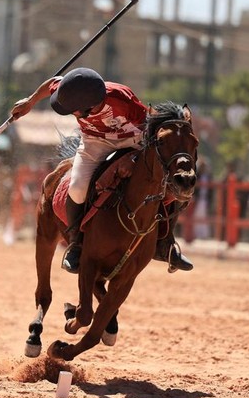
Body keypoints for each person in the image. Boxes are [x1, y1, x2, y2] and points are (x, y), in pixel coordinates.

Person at [10, 67, 193, 273]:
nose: (71, 113)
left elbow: (151, 131)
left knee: (168, 181)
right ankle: (76, 244)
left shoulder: (122, 99)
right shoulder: (72, 88)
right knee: (77, 187)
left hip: (134, 140)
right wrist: (30, 101)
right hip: (95, 141)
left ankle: (166, 244)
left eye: (74, 110)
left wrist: (133, 158)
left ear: (91, 106)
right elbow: (53, 82)